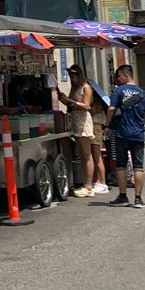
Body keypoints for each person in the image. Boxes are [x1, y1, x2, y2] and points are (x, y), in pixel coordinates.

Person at [103, 65, 145, 208]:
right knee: (138, 167)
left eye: (119, 77)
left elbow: (111, 109)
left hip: (121, 134)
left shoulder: (118, 91)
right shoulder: (144, 94)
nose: (117, 80)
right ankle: (138, 199)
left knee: (120, 166)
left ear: (125, 75)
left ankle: (122, 196)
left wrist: (107, 126)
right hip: (138, 135)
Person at [58, 64, 95, 197]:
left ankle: (89, 185)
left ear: (79, 75)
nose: (71, 79)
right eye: (70, 77)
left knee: (87, 154)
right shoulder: (75, 88)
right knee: (81, 154)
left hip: (83, 120)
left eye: (73, 76)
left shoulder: (86, 87)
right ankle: (85, 184)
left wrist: (70, 100)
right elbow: (70, 104)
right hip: (75, 119)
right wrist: (64, 99)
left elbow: (86, 106)